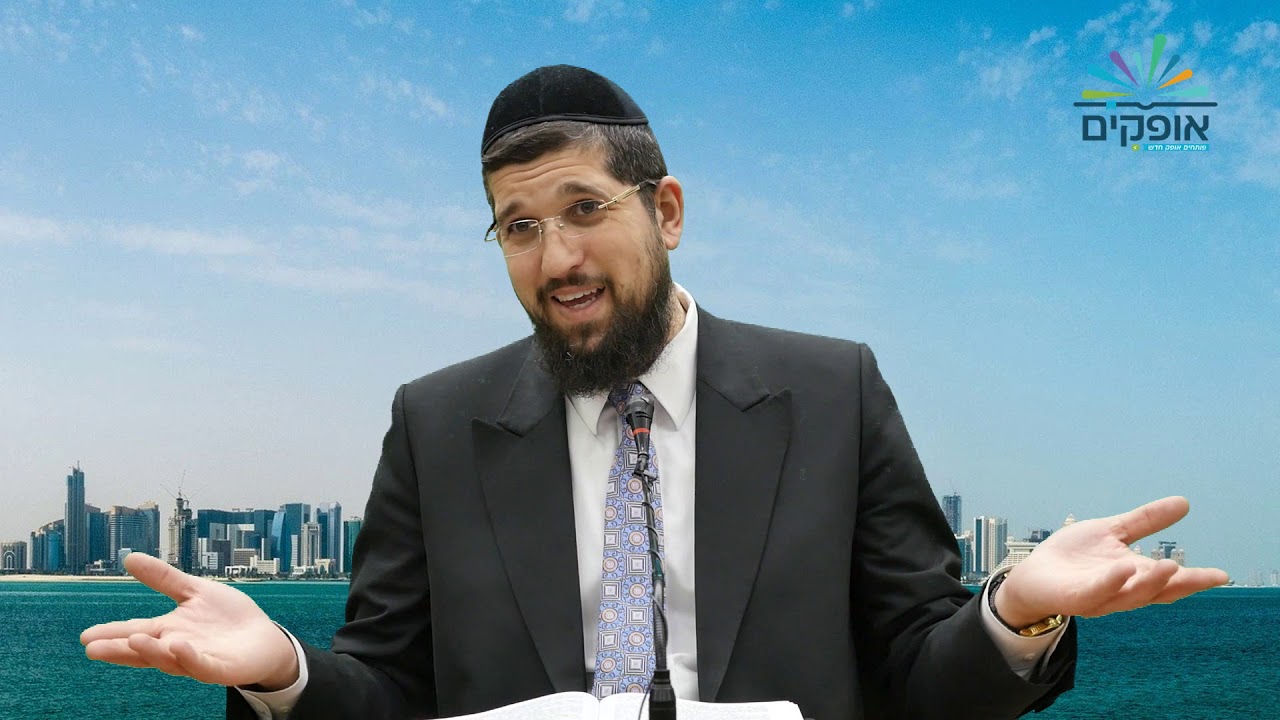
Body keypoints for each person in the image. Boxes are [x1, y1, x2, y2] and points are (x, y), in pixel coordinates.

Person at [81, 65, 1228, 720]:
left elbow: (918, 682)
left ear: (664, 211)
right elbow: (385, 688)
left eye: (584, 210)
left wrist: (1013, 611)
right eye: (518, 228)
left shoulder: (831, 391)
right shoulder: (434, 424)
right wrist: (282, 672)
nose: (556, 259)